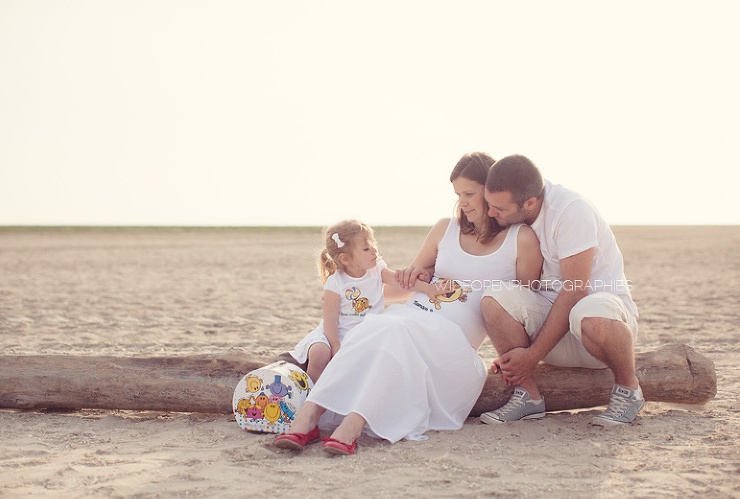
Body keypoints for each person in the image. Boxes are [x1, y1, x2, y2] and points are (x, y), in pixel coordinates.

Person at [274, 152, 543, 455]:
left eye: (470, 193)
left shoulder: (521, 239)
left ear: (490, 190)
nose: (463, 202)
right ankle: (309, 416)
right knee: (380, 325)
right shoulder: (445, 228)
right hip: (409, 319)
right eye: (458, 194)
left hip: (452, 348)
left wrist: (509, 352)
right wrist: (415, 273)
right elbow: (412, 278)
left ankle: (351, 424)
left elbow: (522, 307)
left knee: (394, 327)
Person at [479, 154, 641, 427]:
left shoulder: (571, 211)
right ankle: (528, 397)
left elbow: (576, 290)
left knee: (589, 312)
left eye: (499, 209)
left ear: (529, 203)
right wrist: (511, 350)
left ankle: (629, 389)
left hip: (598, 333)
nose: (491, 213)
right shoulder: (514, 213)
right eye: (489, 204)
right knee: (494, 298)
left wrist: (530, 357)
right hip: (554, 331)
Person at [288, 219, 443, 382]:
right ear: (345, 259)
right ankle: (309, 393)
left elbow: (400, 281)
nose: (374, 250)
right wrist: (335, 346)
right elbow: (330, 319)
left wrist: (427, 288)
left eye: (373, 243)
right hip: (334, 333)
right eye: (366, 248)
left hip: (363, 333)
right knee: (319, 354)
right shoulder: (336, 282)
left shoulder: (377, 270)